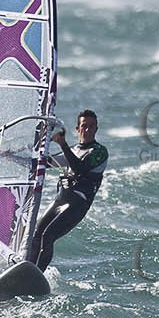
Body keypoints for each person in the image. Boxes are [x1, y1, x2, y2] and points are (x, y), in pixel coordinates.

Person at [33, 110, 107, 272]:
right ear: (77, 129)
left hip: (77, 204)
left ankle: (37, 273)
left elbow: (80, 169)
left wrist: (63, 144)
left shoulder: (100, 152)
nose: (87, 130)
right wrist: (13, 156)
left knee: (48, 236)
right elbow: (44, 164)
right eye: (84, 126)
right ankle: (26, 269)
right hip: (60, 201)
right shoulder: (73, 150)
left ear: (96, 129)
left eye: (91, 127)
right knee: (36, 235)